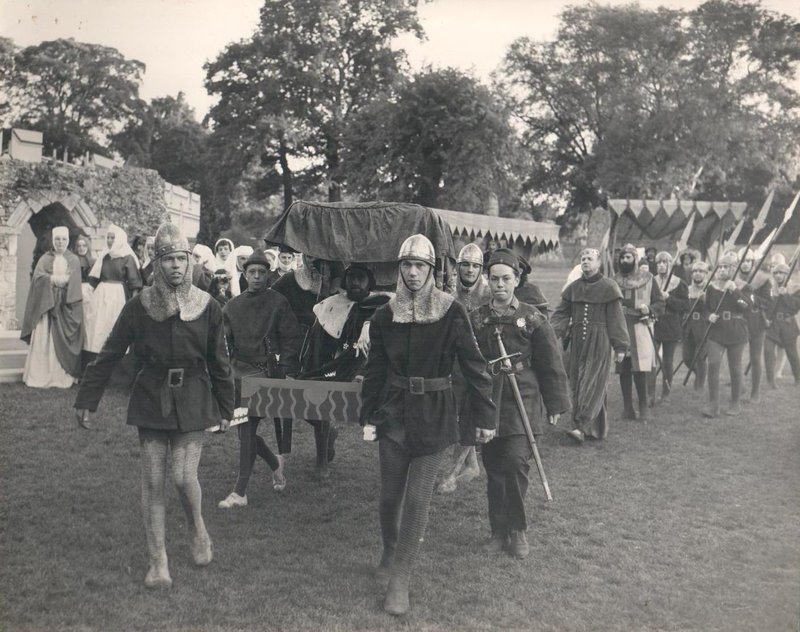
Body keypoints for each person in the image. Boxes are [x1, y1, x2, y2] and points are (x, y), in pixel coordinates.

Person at [74, 222, 235, 589]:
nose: (177, 266)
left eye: (183, 259)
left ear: (190, 262)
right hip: (151, 396)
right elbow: (111, 352)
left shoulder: (208, 306)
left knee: (182, 476)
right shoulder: (139, 306)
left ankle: (196, 526)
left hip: (194, 395)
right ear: (156, 262)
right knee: (153, 480)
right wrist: (88, 397)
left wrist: (227, 408)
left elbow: (219, 361)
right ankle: (158, 561)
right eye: (169, 260)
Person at [360, 234, 496, 616]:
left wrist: (485, 415)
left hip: (436, 415)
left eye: (421, 265)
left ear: (432, 270)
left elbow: (474, 365)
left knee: (418, 497)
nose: (414, 272)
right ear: (399, 269)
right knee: (390, 496)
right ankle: (390, 548)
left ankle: (400, 579)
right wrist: (369, 414)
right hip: (394, 414)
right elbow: (375, 371)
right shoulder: (385, 315)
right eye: (407, 265)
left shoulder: (452, 311)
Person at [469, 249, 570, 558]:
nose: (500, 285)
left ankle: (518, 529)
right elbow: (469, 362)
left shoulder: (532, 317)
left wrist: (554, 404)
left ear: (517, 280)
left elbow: (551, 362)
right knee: (495, 467)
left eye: (506, 279)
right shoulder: (478, 318)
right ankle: (498, 531)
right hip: (490, 401)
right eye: (494, 279)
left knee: (515, 463)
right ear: (488, 280)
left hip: (523, 398)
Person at [218, 250, 302, 508]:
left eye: (261, 272)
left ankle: (240, 492)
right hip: (237, 373)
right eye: (251, 272)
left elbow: (291, 339)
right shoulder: (232, 306)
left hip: (266, 374)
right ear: (244, 275)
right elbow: (223, 343)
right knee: (245, 432)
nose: (256, 277)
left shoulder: (279, 302)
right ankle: (275, 463)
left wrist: (285, 369)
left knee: (246, 427)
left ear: (268, 274)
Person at [551, 248, 629, 442]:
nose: (585, 261)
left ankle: (581, 427)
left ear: (598, 263)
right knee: (579, 381)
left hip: (600, 341)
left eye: (589, 259)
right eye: (583, 258)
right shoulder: (574, 287)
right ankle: (597, 429)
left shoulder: (609, 287)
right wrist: (553, 334)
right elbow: (561, 313)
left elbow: (616, 320)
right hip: (578, 342)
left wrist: (620, 346)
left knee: (592, 382)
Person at [271, 252, 338, 467]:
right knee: (292, 398)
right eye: (308, 254)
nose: (313, 259)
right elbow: (270, 301)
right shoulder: (290, 280)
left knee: (321, 400)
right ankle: (288, 453)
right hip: (293, 347)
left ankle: (322, 460)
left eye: (317, 255)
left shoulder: (332, 282)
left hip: (322, 349)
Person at [437, 243, 490, 495]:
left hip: (478, 364)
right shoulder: (447, 292)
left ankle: (451, 474)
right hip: (451, 363)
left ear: (481, 268)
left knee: (470, 416)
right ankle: (472, 466)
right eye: (465, 264)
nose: (470, 270)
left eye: (475, 265)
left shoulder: (489, 294)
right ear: (458, 267)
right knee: (454, 413)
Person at [20, 226, 85, 388]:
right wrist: (55, 280)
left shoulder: (74, 260)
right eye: (57, 239)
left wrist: (62, 285)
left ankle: (61, 375)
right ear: (53, 240)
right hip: (46, 307)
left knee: (61, 339)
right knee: (44, 338)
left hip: (64, 306)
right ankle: (40, 375)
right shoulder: (45, 259)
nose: (60, 242)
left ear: (68, 241)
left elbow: (75, 283)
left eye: (63, 239)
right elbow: (38, 279)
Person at [612, 244, 665, 422]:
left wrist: (648, 309)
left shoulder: (648, 278)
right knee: (623, 367)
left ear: (635, 259)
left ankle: (643, 406)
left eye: (628, 257)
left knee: (639, 368)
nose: (624, 260)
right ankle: (627, 407)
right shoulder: (614, 280)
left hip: (640, 327)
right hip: (620, 327)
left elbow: (660, 303)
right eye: (622, 257)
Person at [699, 250, 749, 418]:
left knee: (735, 368)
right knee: (713, 364)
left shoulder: (742, 287)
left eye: (726, 267)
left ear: (733, 269)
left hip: (736, 331)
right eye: (719, 267)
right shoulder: (711, 288)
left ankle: (735, 403)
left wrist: (735, 291)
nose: (721, 270)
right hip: (716, 331)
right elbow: (704, 307)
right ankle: (713, 405)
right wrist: (708, 316)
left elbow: (745, 306)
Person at [84, 224, 142, 357]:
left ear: (119, 239)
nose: (109, 240)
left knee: (114, 323)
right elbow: (94, 279)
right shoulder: (104, 257)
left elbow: (134, 283)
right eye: (108, 237)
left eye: (112, 237)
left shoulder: (127, 257)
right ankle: (96, 355)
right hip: (101, 295)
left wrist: (132, 304)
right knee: (98, 324)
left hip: (118, 296)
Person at [648, 251, 689, 404]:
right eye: (659, 263)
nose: (661, 265)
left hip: (672, 325)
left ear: (670, 264)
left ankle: (666, 393)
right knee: (651, 359)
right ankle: (650, 393)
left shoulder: (679, 283)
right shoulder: (651, 281)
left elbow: (685, 306)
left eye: (665, 262)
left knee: (667, 360)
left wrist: (669, 298)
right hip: (655, 324)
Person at [737, 248, 771, 404]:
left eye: (748, 261)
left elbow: (768, 303)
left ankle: (755, 393)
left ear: (752, 262)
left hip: (757, 321)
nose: (745, 264)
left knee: (755, 357)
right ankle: (740, 386)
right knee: (736, 357)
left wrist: (752, 296)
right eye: (742, 261)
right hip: (738, 320)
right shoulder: (734, 278)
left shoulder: (763, 279)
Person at [764, 262, 800, 387]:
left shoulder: (795, 288)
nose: (778, 276)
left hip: (788, 324)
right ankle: (770, 381)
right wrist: (765, 318)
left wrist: (785, 295)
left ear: (787, 275)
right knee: (768, 351)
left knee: (792, 354)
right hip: (772, 325)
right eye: (776, 273)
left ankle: (798, 378)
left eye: (781, 273)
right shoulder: (769, 290)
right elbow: (766, 307)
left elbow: (796, 306)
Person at [682, 260, 711, 391]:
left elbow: (714, 308)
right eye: (695, 271)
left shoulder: (710, 290)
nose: (697, 274)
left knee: (700, 357)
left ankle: (700, 384)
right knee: (687, 358)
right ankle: (700, 375)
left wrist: (705, 300)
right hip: (689, 328)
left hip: (704, 327)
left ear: (706, 274)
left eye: (701, 271)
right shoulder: (687, 290)